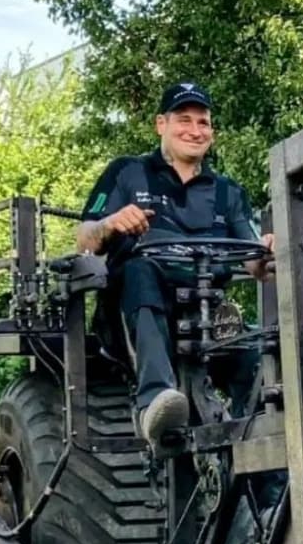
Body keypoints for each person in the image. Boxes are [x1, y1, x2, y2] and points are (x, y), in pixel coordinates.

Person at [75, 81, 275, 445]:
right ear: (160, 124)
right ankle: (155, 403)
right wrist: (110, 223)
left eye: (204, 123)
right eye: (184, 119)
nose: (195, 131)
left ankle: (260, 482)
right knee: (141, 267)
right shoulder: (126, 172)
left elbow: (252, 260)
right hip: (135, 313)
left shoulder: (228, 191)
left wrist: (266, 256)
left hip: (207, 317)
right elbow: (85, 237)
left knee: (259, 360)